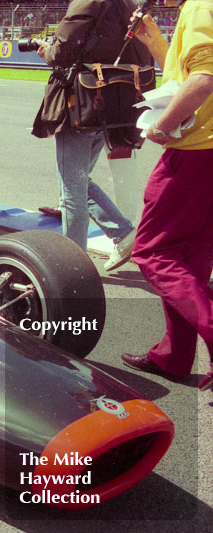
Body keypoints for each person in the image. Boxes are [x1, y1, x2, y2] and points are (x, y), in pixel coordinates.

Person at [119, 0, 213, 391]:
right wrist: (156, 41)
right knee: (188, 258)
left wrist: (161, 125)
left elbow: (203, 80)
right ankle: (174, 357)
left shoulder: (200, 7)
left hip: (194, 152)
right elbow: (186, 73)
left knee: (153, 252)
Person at [32, 0, 150, 271]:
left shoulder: (87, 2)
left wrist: (47, 50)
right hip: (109, 106)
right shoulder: (126, 4)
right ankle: (122, 233)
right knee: (80, 180)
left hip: (81, 104)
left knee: (71, 187)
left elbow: (61, 50)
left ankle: (74, 265)